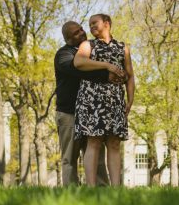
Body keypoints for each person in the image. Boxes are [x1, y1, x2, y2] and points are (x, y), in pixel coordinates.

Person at [54, 20, 125, 186]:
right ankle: (72, 191)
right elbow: (77, 69)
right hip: (69, 113)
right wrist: (107, 74)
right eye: (76, 33)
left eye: (80, 29)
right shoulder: (64, 55)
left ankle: (100, 189)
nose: (82, 33)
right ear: (67, 39)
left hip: (91, 112)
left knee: (96, 154)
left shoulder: (93, 50)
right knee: (70, 157)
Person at [73, 14, 135, 186]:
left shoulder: (123, 48)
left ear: (106, 24)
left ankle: (116, 189)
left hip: (115, 100)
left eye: (95, 23)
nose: (91, 27)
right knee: (93, 141)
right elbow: (78, 62)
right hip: (92, 98)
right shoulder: (88, 45)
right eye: (90, 24)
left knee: (114, 143)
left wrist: (130, 101)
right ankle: (91, 188)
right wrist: (107, 65)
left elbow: (130, 77)